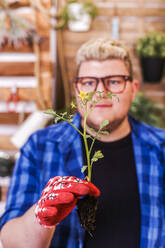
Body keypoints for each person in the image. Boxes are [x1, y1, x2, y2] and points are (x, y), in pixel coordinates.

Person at [0, 37, 165, 248]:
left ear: (133, 89)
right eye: (89, 82)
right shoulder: (41, 146)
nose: (100, 92)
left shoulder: (161, 148)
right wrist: (42, 216)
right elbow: (10, 240)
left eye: (114, 81)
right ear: (76, 91)